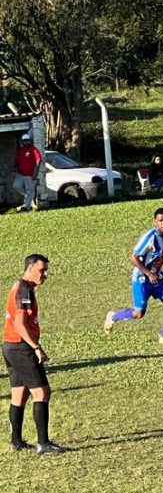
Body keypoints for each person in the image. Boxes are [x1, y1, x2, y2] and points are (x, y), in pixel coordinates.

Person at [3, 254, 65, 453]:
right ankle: (43, 444)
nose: (45, 274)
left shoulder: (20, 286)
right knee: (42, 392)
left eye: (46, 270)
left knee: (19, 394)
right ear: (29, 268)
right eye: (42, 270)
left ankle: (16, 442)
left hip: (9, 346)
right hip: (21, 347)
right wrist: (36, 348)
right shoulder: (24, 290)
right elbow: (19, 324)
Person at [103, 207, 163, 345]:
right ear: (155, 221)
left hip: (157, 277)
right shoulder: (150, 237)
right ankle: (113, 316)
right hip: (141, 279)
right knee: (138, 314)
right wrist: (148, 273)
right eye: (160, 221)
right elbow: (133, 258)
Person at [12, 133, 42, 212]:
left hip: (30, 175)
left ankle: (26, 208)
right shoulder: (20, 150)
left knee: (29, 191)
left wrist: (35, 173)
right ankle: (29, 196)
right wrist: (13, 168)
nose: (26, 142)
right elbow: (16, 160)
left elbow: (38, 162)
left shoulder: (34, 150)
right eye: (24, 141)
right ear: (22, 142)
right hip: (20, 174)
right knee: (16, 186)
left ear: (30, 141)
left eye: (27, 140)